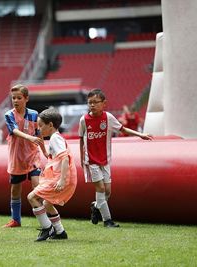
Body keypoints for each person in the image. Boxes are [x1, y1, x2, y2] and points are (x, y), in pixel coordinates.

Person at [79, 89, 152, 228]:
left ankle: (95, 206)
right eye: (90, 103)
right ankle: (108, 221)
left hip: (105, 160)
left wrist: (140, 135)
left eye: (95, 102)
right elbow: (81, 139)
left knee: (107, 191)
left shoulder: (108, 118)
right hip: (91, 161)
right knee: (100, 188)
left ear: (104, 103)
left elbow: (123, 129)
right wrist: (83, 159)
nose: (92, 105)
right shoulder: (84, 120)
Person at [27, 108, 77, 241]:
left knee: (32, 197)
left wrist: (61, 180)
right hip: (62, 177)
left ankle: (47, 228)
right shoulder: (55, 138)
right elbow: (50, 156)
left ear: (50, 125)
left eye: (41, 125)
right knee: (47, 203)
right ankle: (60, 232)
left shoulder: (56, 139)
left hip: (60, 178)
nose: (39, 128)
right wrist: (42, 145)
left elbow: (65, 158)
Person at [3, 84, 46, 228]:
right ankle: (16, 220)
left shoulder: (34, 115)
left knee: (37, 186)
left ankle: (44, 221)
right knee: (15, 190)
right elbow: (14, 131)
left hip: (33, 156)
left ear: (26, 99)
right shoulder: (9, 115)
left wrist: (44, 151)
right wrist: (30, 138)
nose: (15, 100)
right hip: (17, 158)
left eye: (19, 98)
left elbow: (38, 134)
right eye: (13, 98)